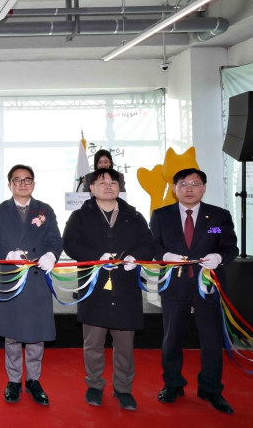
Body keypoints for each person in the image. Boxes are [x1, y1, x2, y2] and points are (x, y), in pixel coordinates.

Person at [63, 167, 154, 410]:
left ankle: (123, 388)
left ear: (119, 187)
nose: (108, 185)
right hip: (95, 287)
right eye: (102, 182)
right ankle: (94, 385)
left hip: (125, 288)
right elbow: (70, 244)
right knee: (93, 343)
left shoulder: (133, 216)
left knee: (124, 344)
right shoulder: (80, 217)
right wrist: (96, 257)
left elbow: (148, 244)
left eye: (113, 182)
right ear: (91, 188)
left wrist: (135, 257)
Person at [150, 168, 238, 414]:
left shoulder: (218, 217)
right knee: (171, 338)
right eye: (184, 184)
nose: (189, 189)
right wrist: (165, 256)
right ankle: (173, 385)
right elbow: (152, 244)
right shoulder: (160, 215)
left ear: (205, 188)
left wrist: (218, 256)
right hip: (174, 285)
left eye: (195, 184)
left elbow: (229, 245)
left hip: (208, 285)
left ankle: (210, 389)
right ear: (175, 188)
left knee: (211, 340)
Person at [0, 165, 64, 406]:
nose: (22, 184)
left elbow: (54, 238)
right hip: (11, 277)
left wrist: (52, 254)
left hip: (37, 277)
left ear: (34, 184)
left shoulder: (44, 209)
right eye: (17, 180)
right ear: (9, 185)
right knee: (12, 333)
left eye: (27, 180)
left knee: (36, 333)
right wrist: (6, 253)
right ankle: (13, 380)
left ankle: (34, 380)